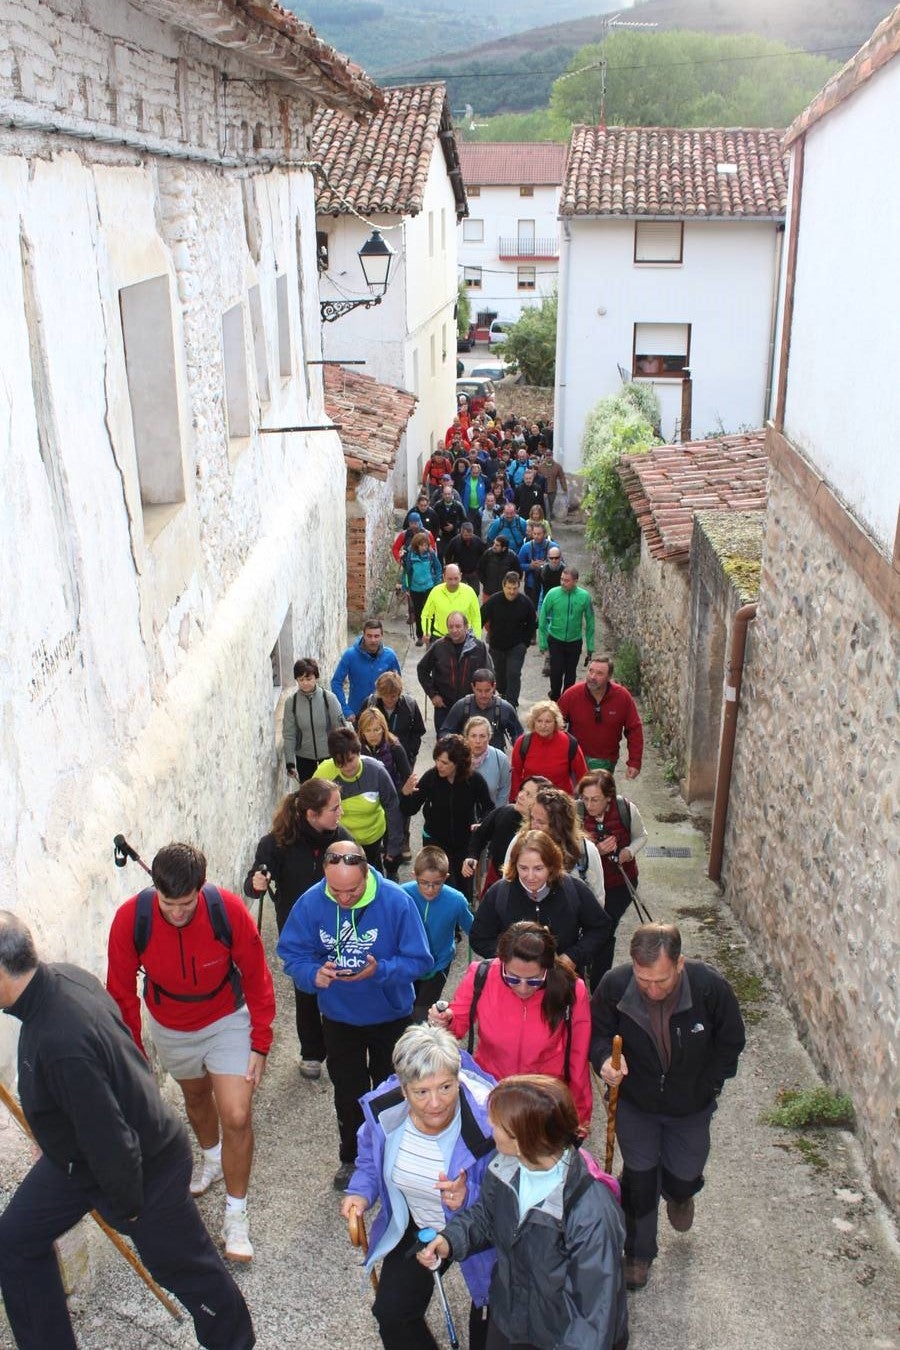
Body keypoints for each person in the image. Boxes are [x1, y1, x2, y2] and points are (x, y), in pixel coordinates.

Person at [0, 912, 255, 1350]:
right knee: (15, 1239)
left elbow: (111, 1141)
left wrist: (130, 1210)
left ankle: (234, 1342)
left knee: (186, 1270)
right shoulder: (62, 978)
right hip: (78, 1160)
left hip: (141, 1171)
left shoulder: (60, 1041)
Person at [106, 843, 276, 1263]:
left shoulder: (228, 910)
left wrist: (260, 1040)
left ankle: (237, 1216)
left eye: (186, 903)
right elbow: (121, 990)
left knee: (236, 1113)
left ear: (201, 888)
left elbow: (256, 974)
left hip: (226, 1019)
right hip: (170, 1025)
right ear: (154, 889)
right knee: (196, 1097)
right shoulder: (132, 919)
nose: (177, 913)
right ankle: (213, 1157)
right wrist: (132, 1051)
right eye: (169, 903)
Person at [418, 1075, 628, 1350]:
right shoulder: (504, 1165)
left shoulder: (591, 1210)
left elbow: (594, 1312)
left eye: (497, 1124)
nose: (489, 1126)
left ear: (522, 1140)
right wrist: (450, 1240)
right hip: (509, 1320)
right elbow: (487, 1216)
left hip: (559, 1336)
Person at [592, 923, 746, 1291]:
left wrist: (709, 1084)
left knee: (682, 1175)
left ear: (679, 964)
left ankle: (681, 1195)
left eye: (661, 980)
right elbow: (596, 1034)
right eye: (644, 980)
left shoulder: (709, 987)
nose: (652, 989)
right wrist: (603, 1062)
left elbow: (731, 1040)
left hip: (690, 1108)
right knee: (640, 1179)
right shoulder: (615, 986)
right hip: (636, 1104)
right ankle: (639, 1252)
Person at [276, 841, 432, 1190]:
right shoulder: (312, 902)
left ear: (367, 873)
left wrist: (381, 971)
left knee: (392, 1090)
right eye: (336, 890)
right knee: (348, 1093)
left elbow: (421, 961)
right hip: (339, 1018)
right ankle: (352, 1159)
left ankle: (396, 1157)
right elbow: (291, 952)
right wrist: (311, 974)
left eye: (352, 890)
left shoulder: (395, 901)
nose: (344, 899)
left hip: (390, 1016)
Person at [340, 1026, 496, 1350]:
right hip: (419, 1223)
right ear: (403, 1087)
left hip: (481, 1233)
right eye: (421, 1092)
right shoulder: (385, 1111)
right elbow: (369, 1156)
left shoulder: (491, 1119)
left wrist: (470, 1196)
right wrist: (360, 1191)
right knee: (392, 1314)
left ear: (458, 1078)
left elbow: (513, 1194)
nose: (436, 1103)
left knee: (490, 1330)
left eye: (445, 1087)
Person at [430, 922, 593, 1130]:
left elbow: (578, 1058)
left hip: (543, 1103)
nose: (523, 988)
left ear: (548, 968)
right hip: (489, 1097)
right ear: (502, 961)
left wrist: (579, 1116)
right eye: (512, 978)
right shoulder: (481, 975)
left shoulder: (571, 989)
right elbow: (456, 1026)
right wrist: (443, 1021)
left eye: (534, 981)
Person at [244, 780, 350, 1078]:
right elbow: (255, 881)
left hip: (336, 927)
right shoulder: (276, 843)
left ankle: (339, 1046)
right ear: (311, 814)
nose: (340, 812)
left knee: (337, 982)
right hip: (298, 929)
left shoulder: (341, 841)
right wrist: (256, 882)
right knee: (305, 988)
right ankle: (312, 1052)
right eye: (334, 808)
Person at [469, 830, 610, 980]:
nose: (530, 877)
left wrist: (573, 957)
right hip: (513, 983)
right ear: (514, 864)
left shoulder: (573, 889)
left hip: (561, 982)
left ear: (552, 866)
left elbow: (601, 927)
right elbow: (479, 937)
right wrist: (511, 958)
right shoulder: (499, 893)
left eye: (538, 868)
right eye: (523, 868)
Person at [401, 735, 494, 899]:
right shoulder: (430, 778)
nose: (438, 766)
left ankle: (461, 922)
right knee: (441, 888)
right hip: (435, 843)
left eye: (444, 763)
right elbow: (409, 809)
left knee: (463, 891)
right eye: (437, 760)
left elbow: (488, 808)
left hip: (465, 844)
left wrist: (481, 824)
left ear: (458, 764)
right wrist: (406, 794)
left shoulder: (474, 780)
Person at [578, 771, 648, 981]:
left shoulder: (626, 809)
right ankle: (588, 964)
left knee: (606, 928)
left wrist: (628, 852)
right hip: (587, 885)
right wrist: (595, 851)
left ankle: (600, 983)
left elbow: (641, 836)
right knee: (589, 928)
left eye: (595, 799)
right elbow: (568, 850)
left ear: (608, 797)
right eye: (585, 798)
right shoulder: (576, 812)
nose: (589, 805)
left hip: (620, 883)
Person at [313, 726, 404, 875]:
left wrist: (393, 847)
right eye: (340, 763)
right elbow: (309, 804)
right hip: (340, 841)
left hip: (372, 839)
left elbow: (392, 807)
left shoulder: (376, 771)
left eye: (350, 760)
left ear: (359, 752)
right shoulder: (324, 772)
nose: (347, 767)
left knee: (373, 875)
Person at [403, 846, 475, 1020]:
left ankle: (418, 1042)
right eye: (424, 883)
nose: (430, 889)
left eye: (436, 884)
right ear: (414, 876)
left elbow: (473, 929)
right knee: (404, 1007)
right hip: (407, 962)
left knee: (421, 1012)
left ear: (446, 878)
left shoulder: (456, 900)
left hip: (438, 965)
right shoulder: (403, 893)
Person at [462, 776, 551, 894]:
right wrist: (472, 856)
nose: (521, 795)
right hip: (495, 878)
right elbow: (480, 834)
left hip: (528, 885)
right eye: (522, 790)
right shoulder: (505, 812)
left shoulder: (544, 828)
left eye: (528, 794)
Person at [558, 654, 644, 776]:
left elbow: (634, 729)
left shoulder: (622, 696)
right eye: (590, 671)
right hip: (576, 758)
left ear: (609, 677)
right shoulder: (572, 695)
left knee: (599, 794)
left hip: (606, 761)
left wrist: (634, 762)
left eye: (599, 673)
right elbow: (555, 724)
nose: (592, 677)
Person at [529, 786, 605, 912]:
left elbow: (598, 899)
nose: (533, 826)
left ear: (559, 826)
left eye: (541, 822)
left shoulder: (586, 851)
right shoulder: (520, 843)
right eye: (532, 819)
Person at [416, 611, 491, 734]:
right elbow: (422, 669)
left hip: (471, 706)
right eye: (451, 627)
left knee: (470, 746)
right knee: (445, 746)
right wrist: (433, 694)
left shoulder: (479, 647)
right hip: (444, 706)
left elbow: (488, 674)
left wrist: (484, 697)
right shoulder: (439, 646)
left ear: (466, 627)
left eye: (458, 626)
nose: (454, 630)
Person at [283, 657, 346, 783]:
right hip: (304, 757)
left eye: (308, 678)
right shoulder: (291, 702)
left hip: (329, 756)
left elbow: (341, 730)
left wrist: (343, 754)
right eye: (301, 679)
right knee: (309, 796)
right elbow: (289, 734)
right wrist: (290, 763)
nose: (305, 683)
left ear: (316, 678)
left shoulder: (329, 699)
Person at [480, 571, 538, 707]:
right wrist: (477, 637)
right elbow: (480, 618)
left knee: (513, 673)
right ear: (503, 586)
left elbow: (533, 623)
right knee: (500, 675)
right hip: (496, 646)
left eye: (515, 588)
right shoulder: (494, 601)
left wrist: (525, 643)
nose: (512, 592)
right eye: (509, 588)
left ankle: (512, 704)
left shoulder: (525, 602)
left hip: (517, 646)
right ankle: (503, 694)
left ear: (519, 587)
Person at [509, 700, 588, 799]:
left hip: (560, 803)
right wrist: (515, 799)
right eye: (539, 721)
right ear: (533, 722)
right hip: (531, 801)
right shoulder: (523, 742)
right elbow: (515, 774)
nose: (543, 726)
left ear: (555, 722)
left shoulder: (569, 742)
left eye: (548, 721)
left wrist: (580, 797)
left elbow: (582, 774)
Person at [538, 567, 595, 702]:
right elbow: (542, 617)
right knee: (556, 673)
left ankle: (567, 701)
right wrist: (543, 643)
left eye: (567, 580)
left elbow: (591, 622)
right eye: (562, 579)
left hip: (574, 641)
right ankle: (555, 697)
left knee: (571, 674)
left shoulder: (585, 597)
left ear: (575, 581)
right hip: (556, 639)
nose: (563, 582)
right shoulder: (552, 594)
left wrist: (590, 647)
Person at [331, 619, 401, 721]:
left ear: (382, 636)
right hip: (358, 713)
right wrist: (345, 710)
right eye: (369, 636)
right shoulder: (350, 655)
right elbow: (336, 682)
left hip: (383, 714)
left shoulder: (390, 656)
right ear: (363, 635)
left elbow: (397, 685)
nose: (373, 640)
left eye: (376, 636)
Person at [440, 668, 524, 751]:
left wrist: (519, 754)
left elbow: (518, 734)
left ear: (494, 687)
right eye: (479, 691)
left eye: (487, 691)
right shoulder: (461, 706)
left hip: (494, 758)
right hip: (467, 758)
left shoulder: (505, 708)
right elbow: (445, 732)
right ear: (473, 687)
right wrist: (455, 748)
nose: (483, 695)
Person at [364, 670, 426, 769]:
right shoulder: (370, 705)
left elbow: (418, 731)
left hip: (403, 760)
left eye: (393, 696)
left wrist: (410, 753)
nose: (389, 700)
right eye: (385, 696)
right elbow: (360, 729)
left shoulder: (410, 706)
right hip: (376, 760)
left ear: (399, 692)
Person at [419, 564, 482, 640]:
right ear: (444, 578)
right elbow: (426, 614)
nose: (453, 582)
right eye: (450, 579)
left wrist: (477, 638)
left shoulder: (470, 592)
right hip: (441, 637)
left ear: (461, 576)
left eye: (456, 578)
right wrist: (426, 632)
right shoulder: (436, 592)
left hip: (464, 639)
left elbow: (476, 617)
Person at [401, 531, 442, 645]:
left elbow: (438, 567)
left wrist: (436, 581)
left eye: (426, 545)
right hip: (415, 589)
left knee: (431, 612)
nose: (425, 547)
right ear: (416, 545)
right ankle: (420, 636)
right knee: (419, 612)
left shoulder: (430, 554)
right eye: (422, 545)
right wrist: (406, 587)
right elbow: (407, 572)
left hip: (429, 587)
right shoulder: (410, 556)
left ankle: (431, 634)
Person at [464, 714, 511, 806]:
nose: (478, 741)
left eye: (482, 736)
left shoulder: (500, 759)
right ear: (467, 737)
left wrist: (494, 816)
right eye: (473, 736)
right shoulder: (457, 757)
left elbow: (505, 789)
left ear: (489, 737)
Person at [517, 523, 556, 609]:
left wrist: (547, 565)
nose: (536, 536)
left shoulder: (553, 547)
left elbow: (561, 566)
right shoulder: (526, 547)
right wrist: (530, 566)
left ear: (545, 534)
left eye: (539, 534)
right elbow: (518, 565)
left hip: (549, 585)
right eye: (534, 533)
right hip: (531, 586)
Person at [444, 519, 487, 591]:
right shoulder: (454, 541)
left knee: (475, 591)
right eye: (466, 535)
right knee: (459, 591)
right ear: (461, 532)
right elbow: (448, 555)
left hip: (473, 572)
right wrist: (451, 568)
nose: (468, 537)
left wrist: (479, 567)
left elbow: (483, 555)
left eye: (470, 535)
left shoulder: (477, 541)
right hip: (460, 572)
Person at [477, 532, 522, 598]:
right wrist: (486, 583)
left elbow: (518, 574)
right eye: (494, 543)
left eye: (497, 545)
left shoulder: (512, 557)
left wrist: (510, 587)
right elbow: (480, 569)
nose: (493, 546)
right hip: (488, 592)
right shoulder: (488, 554)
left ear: (504, 548)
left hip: (505, 594)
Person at [433, 481, 467, 558]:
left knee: (455, 555)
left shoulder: (458, 506)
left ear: (452, 494)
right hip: (441, 536)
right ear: (442, 495)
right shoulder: (437, 506)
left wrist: (454, 526)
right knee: (440, 554)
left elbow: (464, 520)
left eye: (449, 494)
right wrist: (439, 529)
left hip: (454, 535)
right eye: (445, 494)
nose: (447, 496)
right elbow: (434, 520)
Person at [537, 447, 568, 518]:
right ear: (545, 456)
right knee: (543, 504)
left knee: (551, 504)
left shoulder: (558, 466)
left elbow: (562, 478)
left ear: (552, 456)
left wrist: (564, 488)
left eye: (549, 455)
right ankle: (543, 516)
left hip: (552, 488)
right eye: (547, 455)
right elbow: (537, 478)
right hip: (542, 489)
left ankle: (550, 515)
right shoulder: (540, 467)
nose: (548, 457)